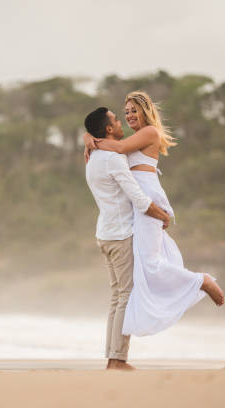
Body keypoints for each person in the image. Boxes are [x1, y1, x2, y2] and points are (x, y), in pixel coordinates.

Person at [84, 92, 225, 341]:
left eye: (133, 110)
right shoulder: (133, 137)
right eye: (125, 112)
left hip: (147, 198)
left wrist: (91, 140)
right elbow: (115, 144)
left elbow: (117, 147)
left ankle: (200, 281)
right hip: (139, 203)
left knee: (150, 264)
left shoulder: (150, 132)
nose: (128, 116)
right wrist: (89, 137)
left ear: (145, 110)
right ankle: (193, 283)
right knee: (147, 265)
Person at [84, 107, 171, 370]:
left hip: (105, 233)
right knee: (125, 296)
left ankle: (113, 358)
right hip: (121, 235)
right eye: (117, 119)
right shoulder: (113, 159)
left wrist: (88, 137)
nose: (121, 122)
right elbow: (137, 196)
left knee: (117, 296)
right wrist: (161, 215)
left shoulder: (93, 156)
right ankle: (118, 360)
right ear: (109, 129)